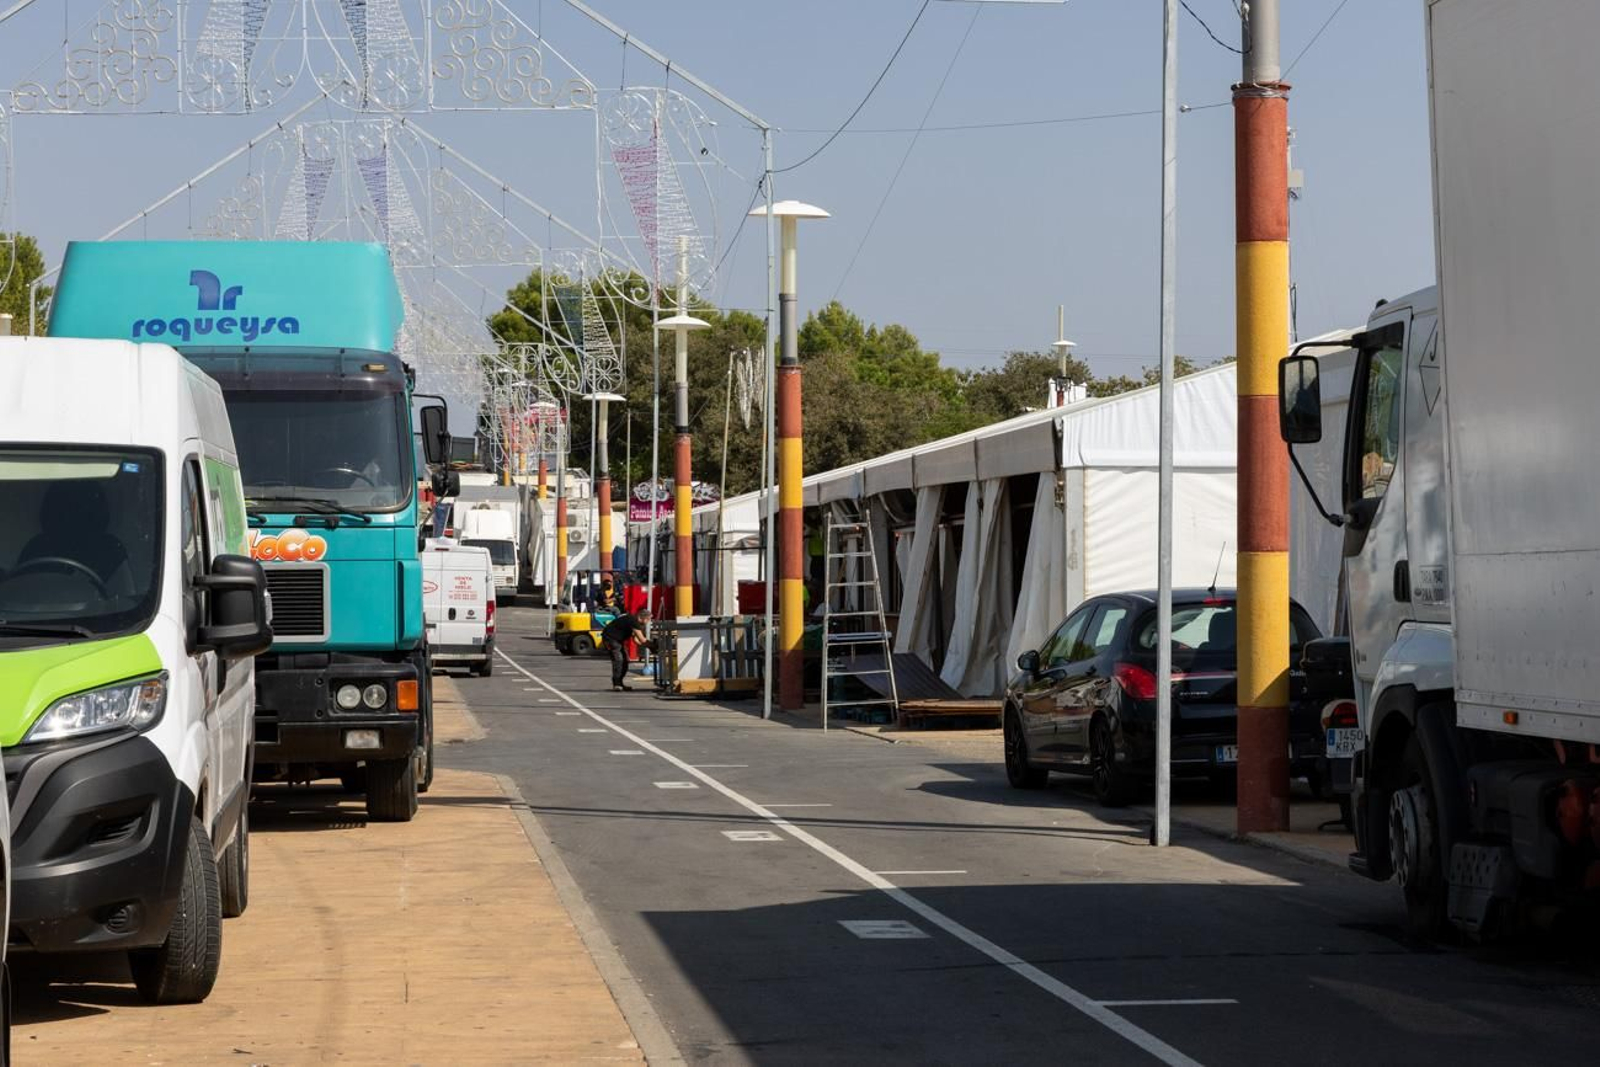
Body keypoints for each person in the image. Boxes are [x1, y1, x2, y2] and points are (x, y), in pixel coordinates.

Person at [600, 611, 644, 691]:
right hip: (610, 639)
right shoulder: (633, 621)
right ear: (644, 618)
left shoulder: (633, 621)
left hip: (617, 640)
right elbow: (642, 639)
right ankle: (616, 684)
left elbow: (636, 639)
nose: (648, 622)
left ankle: (620, 683)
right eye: (648, 620)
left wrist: (644, 645)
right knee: (619, 660)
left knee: (625, 661)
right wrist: (651, 645)